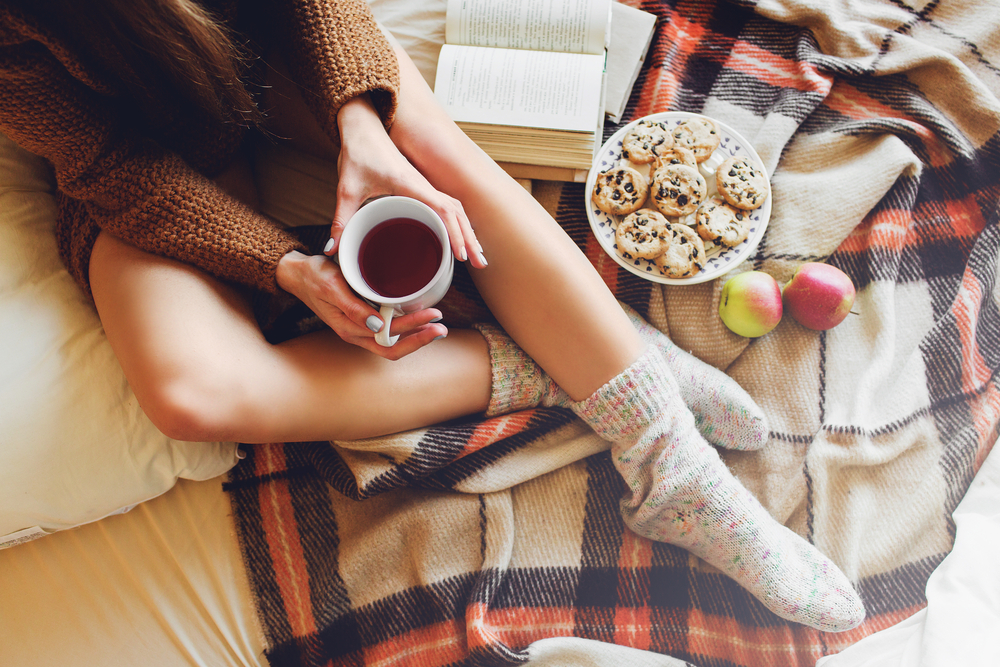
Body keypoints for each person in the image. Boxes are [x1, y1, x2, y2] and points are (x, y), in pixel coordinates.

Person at [0, 0, 864, 632]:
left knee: (433, 152)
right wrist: (285, 265)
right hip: (142, 158)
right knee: (190, 393)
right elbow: (114, 165)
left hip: (282, 38)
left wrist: (363, 129)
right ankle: (568, 368)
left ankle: (674, 470)